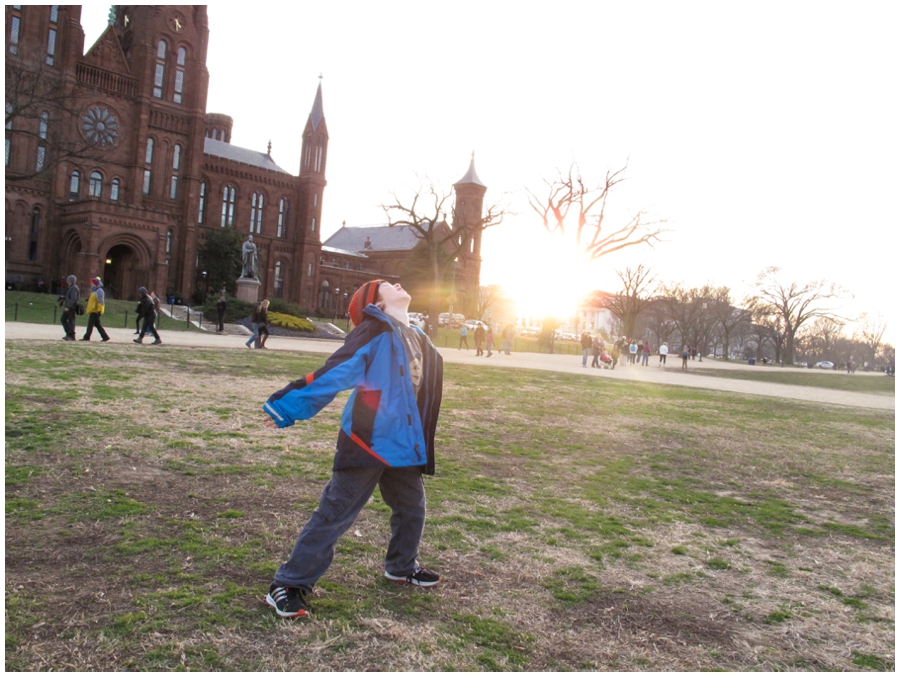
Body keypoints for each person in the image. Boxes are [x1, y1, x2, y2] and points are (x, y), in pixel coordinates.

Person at [262, 279, 444, 619]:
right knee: (335, 512)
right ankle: (287, 584)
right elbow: (333, 373)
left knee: (411, 507)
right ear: (374, 302)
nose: (399, 283)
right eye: (388, 284)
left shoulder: (417, 336)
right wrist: (287, 406)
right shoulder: (374, 332)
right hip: (368, 439)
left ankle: (401, 567)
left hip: (403, 444)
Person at [80, 277, 110, 342]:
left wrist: (100, 310)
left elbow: (100, 301)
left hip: (95, 311)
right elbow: (94, 299)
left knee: (90, 324)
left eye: (92, 283)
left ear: (95, 283)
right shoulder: (94, 290)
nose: (91, 284)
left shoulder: (99, 291)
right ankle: (105, 337)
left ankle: (86, 337)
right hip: (93, 310)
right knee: (98, 325)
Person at [58, 274, 80, 340]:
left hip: (71, 307)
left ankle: (71, 335)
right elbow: (70, 297)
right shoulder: (71, 287)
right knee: (64, 319)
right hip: (70, 306)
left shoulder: (74, 288)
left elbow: (73, 298)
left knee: (70, 320)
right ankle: (69, 334)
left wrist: (68, 306)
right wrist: (63, 297)